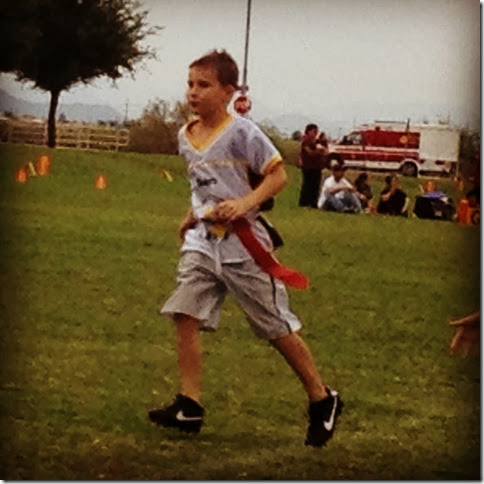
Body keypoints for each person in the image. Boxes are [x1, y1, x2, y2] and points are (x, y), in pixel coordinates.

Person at [148, 50, 343, 447]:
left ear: (228, 91)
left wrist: (244, 203)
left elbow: (278, 176)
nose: (193, 92)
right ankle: (189, 404)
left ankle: (322, 398)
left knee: (274, 326)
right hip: (204, 242)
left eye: (204, 85)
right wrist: (192, 213)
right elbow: (204, 185)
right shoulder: (185, 135)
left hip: (243, 243)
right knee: (184, 312)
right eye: (190, 84)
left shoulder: (243, 132)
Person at [298, 124, 326, 208]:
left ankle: (313, 203)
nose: (315, 133)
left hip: (317, 166)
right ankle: (304, 202)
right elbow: (309, 152)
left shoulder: (317, 141)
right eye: (314, 131)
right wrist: (319, 151)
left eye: (316, 131)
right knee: (307, 184)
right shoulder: (306, 141)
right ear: (308, 131)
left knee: (316, 185)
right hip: (308, 166)